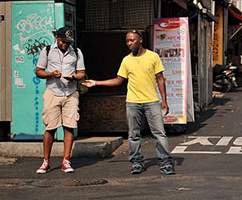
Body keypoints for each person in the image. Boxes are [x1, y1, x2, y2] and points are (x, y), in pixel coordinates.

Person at [82, 30, 175, 175]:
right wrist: (95, 83)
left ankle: (166, 163)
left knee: (159, 133)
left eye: (132, 40)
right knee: (133, 135)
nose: (129, 43)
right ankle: (137, 163)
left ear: (140, 40)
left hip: (151, 101)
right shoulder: (126, 60)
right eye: (127, 41)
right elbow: (118, 80)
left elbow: (160, 79)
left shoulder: (153, 56)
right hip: (132, 102)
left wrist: (164, 100)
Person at [35, 26, 85, 174]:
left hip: (70, 93)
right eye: (63, 41)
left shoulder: (76, 52)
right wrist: (51, 74)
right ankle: (45, 162)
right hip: (52, 92)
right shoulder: (47, 50)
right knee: (50, 127)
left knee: (69, 126)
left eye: (68, 42)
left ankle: (66, 161)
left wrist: (74, 77)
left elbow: (82, 73)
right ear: (57, 38)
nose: (65, 44)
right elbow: (38, 71)